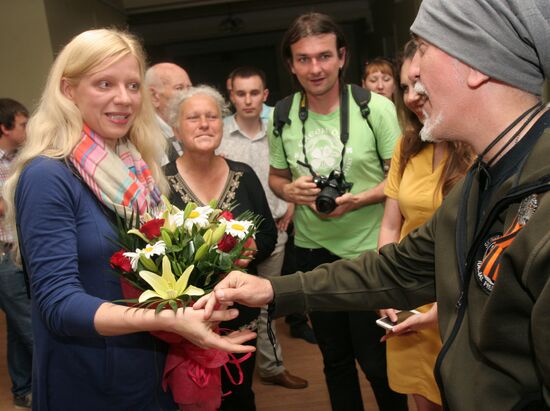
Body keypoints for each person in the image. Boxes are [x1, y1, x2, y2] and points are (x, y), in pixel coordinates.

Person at [197, 0, 550, 410]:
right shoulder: (481, 182)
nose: (412, 73)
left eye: (422, 48)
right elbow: (398, 268)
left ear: (476, 62)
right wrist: (273, 289)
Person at [3, 29, 255, 411]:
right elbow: (57, 304)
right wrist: (168, 319)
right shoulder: (47, 176)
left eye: (133, 85)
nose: (124, 99)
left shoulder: (134, 165)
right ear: (68, 90)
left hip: (151, 369)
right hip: (90, 380)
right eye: (105, 83)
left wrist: (210, 262)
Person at [267, 12, 407, 411]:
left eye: (324, 56)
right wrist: (288, 190)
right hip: (313, 254)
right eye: (304, 59)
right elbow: (276, 177)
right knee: (335, 360)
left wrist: (360, 199)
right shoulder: (282, 115)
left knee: (378, 362)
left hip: (368, 252)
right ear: (291, 65)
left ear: (342, 57)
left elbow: (401, 179)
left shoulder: (375, 109)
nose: (316, 68)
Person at [164, 84, 277, 411]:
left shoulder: (245, 175)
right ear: (176, 130)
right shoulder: (160, 182)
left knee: (240, 395)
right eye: (193, 118)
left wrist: (254, 247)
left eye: (212, 116)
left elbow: (269, 235)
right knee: (193, 398)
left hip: (240, 309)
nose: (204, 124)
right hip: (187, 316)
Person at [377, 40, 474, 411]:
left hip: (464, 304)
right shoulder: (407, 146)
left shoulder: (479, 146)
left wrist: (447, 307)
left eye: (419, 83)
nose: (412, 96)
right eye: (404, 87)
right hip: (411, 303)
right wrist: (386, 285)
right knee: (421, 399)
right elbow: (390, 224)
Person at [217, 66, 307, 389]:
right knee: (229, 306)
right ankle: (228, 373)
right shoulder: (220, 133)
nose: (248, 100)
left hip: (275, 232)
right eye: (240, 94)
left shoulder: (278, 127)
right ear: (231, 96)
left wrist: (292, 206)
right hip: (229, 240)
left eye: (254, 93)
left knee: (268, 302)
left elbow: (294, 171)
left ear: (264, 95)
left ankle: (272, 366)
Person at [0, 98, 32, 409]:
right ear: (4, 127)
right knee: (31, 326)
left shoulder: (20, 158)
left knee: (17, 326)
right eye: (22, 124)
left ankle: (23, 388)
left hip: (21, 252)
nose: (27, 129)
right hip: (2, 256)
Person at [145, 62, 192, 164]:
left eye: (189, 88)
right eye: (179, 88)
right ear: (154, 96)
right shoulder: (145, 138)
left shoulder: (184, 129)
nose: (189, 95)